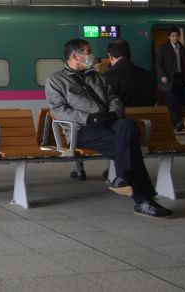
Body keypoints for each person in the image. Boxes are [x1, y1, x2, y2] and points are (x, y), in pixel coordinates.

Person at [45, 38, 173, 218]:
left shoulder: (97, 76)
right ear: (75, 55)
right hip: (81, 131)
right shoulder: (56, 80)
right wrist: (90, 118)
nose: (92, 55)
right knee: (130, 146)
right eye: (88, 51)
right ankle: (141, 198)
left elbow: (115, 99)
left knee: (127, 124)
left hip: (109, 124)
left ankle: (125, 181)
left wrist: (113, 114)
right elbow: (59, 110)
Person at [69, 39, 157, 181]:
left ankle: (80, 169)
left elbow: (101, 104)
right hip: (147, 129)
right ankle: (128, 180)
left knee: (91, 128)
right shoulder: (149, 76)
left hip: (116, 125)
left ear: (110, 56)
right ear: (130, 54)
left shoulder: (106, 77)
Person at [155, 27, 185, 132]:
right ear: (169, 37)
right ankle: (177, 123)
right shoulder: (163, 48)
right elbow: (158, 64)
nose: (175, 37)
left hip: (180, 78)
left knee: (178, 101)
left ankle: (179, 122)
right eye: (173, 35)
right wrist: (162, 76)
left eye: (177, 35)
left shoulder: (182, 48)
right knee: (171, 102)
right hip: (168, 80)